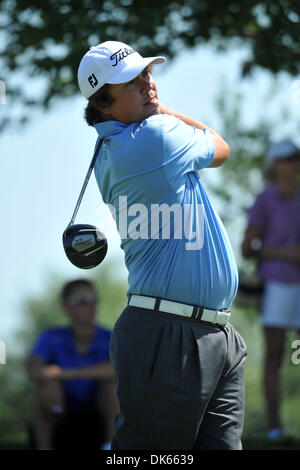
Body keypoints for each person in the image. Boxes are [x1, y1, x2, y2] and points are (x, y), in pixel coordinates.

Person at [77, 40, 247, 450]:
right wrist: (163, 111)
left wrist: (149, 107)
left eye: (146, 75)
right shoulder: (155, 136)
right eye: (132, 83)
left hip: (213, 333)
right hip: (168, 334)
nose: (148, 85)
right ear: (103, 102)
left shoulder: (115, 147)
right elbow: (220, 147)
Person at [241, 139, 300, 442]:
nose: (295, 163)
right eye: (290, 158)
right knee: (276, 355)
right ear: (275, 164)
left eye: (297, 158)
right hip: (276, 284)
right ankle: (275, 426)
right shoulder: (264, 201)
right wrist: (284, 254)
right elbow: (247, 248)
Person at [25, 279, 118, 450]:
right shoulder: (51, 336)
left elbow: (117, 371)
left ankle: (109, 448)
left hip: (99, 419)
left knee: (111, 386)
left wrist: (63, 374)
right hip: (60, 417)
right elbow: (33, 368)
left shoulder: (110, 337)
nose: (91, 305)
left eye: (94, 299)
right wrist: (46, 375)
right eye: (82, 301)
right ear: (65, 307)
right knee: (45, 387)